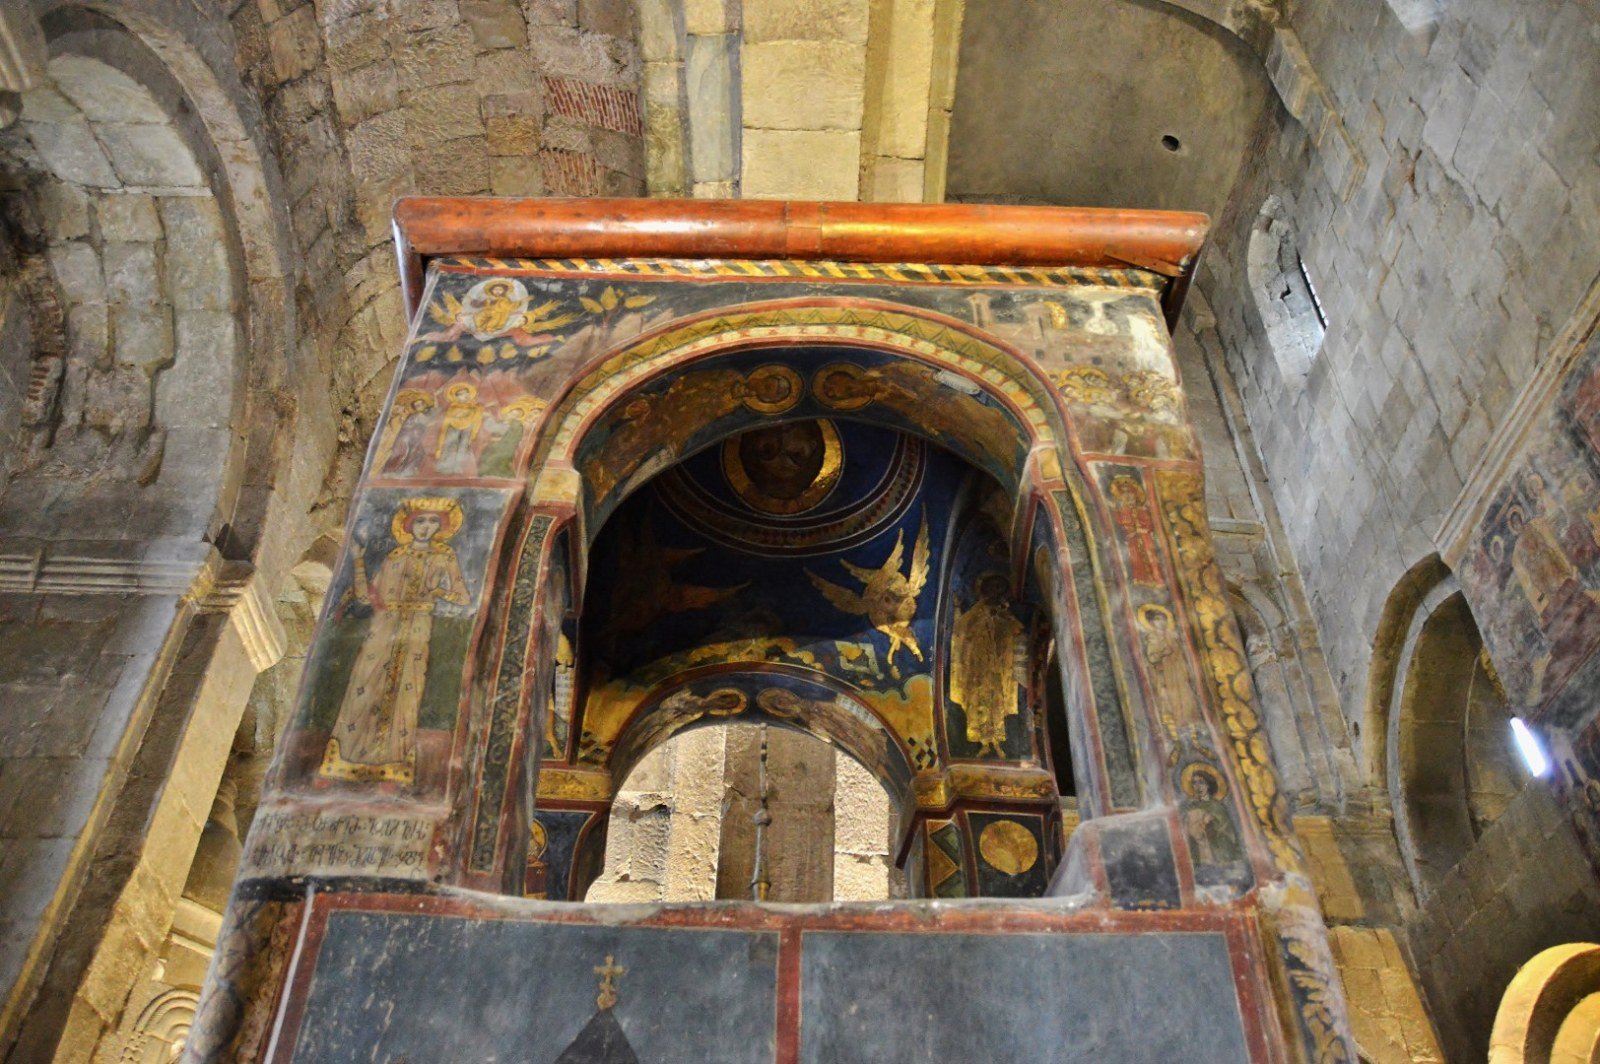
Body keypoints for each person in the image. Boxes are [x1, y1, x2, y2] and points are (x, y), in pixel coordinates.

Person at [320, 497, 470, 786]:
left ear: (441, 527)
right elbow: (366, 597)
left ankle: (393, 762)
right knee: (365, 684)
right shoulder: (395, 556)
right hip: (384, 624)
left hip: (419, 624)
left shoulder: (445, 555)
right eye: (421, 521)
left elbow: (463, 597)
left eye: (433, 522)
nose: (426, 527)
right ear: (409, 525)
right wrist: (358, 560)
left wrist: (439, 592)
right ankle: (345, 759)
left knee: (407, 690)